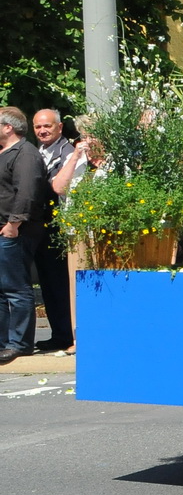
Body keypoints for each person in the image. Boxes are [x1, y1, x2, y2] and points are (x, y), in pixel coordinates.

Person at [0, 107, 53, 364]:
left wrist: (14, 224)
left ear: (8, 127)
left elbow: (27, 192)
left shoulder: (26, 154)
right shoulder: (5, 152)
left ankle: (20, 343)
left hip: (16, 231)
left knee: (16, 288)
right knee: (2, 289)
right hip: (4, 230)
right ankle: (3, 342)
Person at [29, 109, 75, 353]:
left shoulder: (67, 152)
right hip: (42, 227)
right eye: (38, 127)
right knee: (48, 283)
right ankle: (58, 333)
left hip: (59, 227)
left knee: (59, 283)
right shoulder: (39, 151)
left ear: (59, 127)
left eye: (47, 126)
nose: (42, 131)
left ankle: (66, 335)